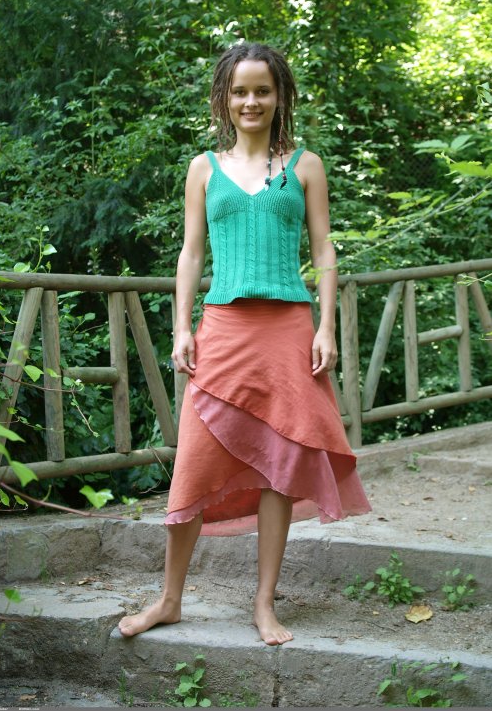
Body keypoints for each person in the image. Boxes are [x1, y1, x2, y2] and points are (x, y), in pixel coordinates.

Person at [119, 42, 371, 646]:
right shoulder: (203, 168)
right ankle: (169, 599)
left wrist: (326, 326)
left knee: (279, 467)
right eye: (239, 91)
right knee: (195, 459)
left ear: (280, 95)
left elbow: (324, 249)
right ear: (224, 99)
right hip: (224, 329)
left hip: (288, 331)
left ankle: (263, 603)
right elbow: (190, 253)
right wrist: (182, 327)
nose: (250, 101)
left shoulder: (305, 166)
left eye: (262, 90)